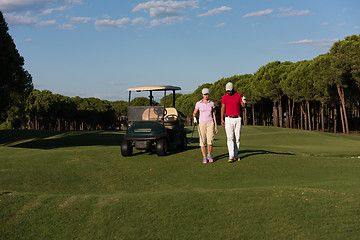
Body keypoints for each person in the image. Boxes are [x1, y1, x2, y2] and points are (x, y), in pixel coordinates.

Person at [221, 82, 246, 163]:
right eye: (227, 91)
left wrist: (243, 99)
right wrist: (222, 119)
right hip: (228, 118)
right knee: (230, 138)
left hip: (237, 118)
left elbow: (243, 106)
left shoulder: (238, 95)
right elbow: (223, 108)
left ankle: (236, 155)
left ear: (233, 89)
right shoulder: (224, 97)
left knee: (237, 138)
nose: (228, 92)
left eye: (230, 91)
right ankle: (231, 155)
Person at [193, 88, 218, 163]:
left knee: (210, 140)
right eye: (204, 94)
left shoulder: (211, 103)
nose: (206, 96)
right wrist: (194, 118)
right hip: (202, 124)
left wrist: (216, 125)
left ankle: (209, 154)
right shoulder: (198, 103)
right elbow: (194, 113)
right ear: (202, 95)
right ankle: (204, 157)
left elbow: (213, 114)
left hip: (210, 123)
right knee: (202, 141)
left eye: (207, 94)